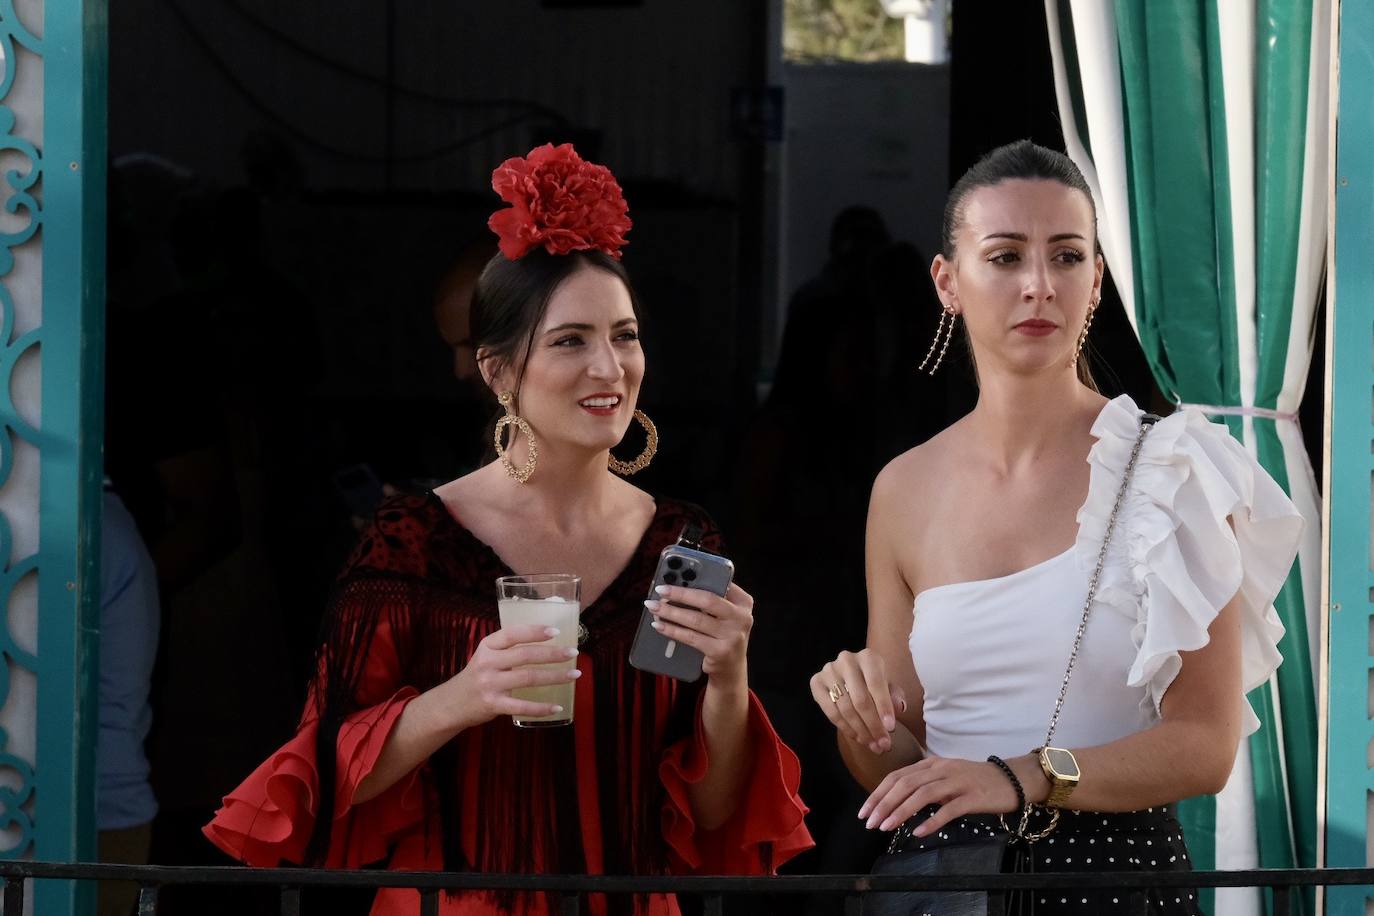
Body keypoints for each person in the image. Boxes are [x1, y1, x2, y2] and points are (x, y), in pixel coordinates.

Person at [204, 142, 812, 916]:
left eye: (624, 335)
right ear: (497, 373)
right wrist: (464, 695)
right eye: (570, 341)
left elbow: (717, 814)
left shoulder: (681, 544)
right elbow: (325, 773)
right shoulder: (414, 541)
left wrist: (731, 678)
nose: (609, 367)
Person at [809, 140, 1302, 914]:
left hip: (1114, 878)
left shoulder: (1175, 466)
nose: (1039, 285)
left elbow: (1205, 747)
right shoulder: (903, 488)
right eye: (1004, 257)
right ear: (948, 282)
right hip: (948, 883)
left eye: (1067, 257)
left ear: (1097, 280)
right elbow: (898, 765)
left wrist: (1024, 774)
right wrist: (858, 721)